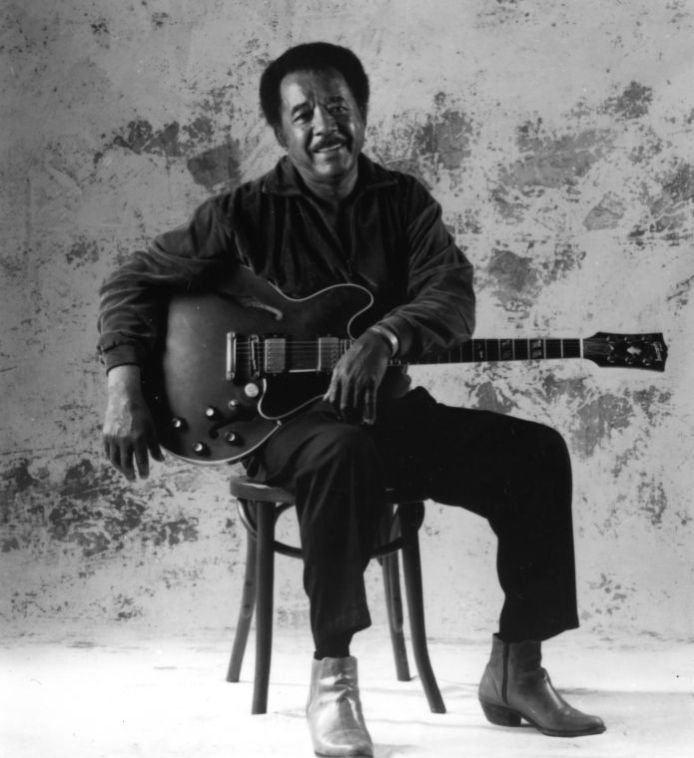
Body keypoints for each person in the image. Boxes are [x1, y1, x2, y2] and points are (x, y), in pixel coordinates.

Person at [98, 42, 605, 756]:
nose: (323, 126)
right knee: (341, 450)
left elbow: (451, 295)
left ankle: (518, 667)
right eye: (302, 113)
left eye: (337, 107)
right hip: (284, 429)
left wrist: (387, 336)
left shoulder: (404, 203)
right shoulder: (242, 213)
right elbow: (131, 282)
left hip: (387, 415)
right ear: (280, 131)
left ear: (361, 112)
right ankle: (332, 680)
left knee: (536, 454)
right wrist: (124, 381)